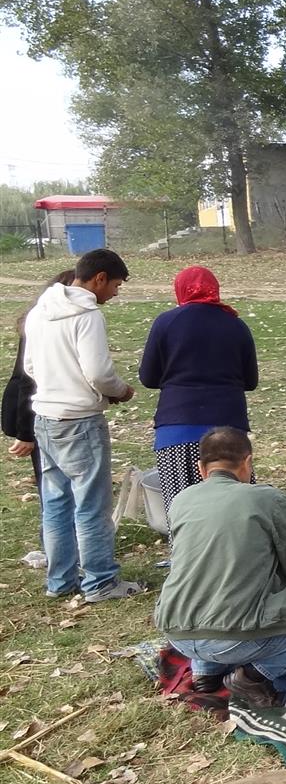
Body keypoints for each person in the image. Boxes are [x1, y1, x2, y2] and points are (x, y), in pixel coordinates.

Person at [154, 427, 286, 706]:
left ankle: (206, 673)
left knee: (212, 595)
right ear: (248, 463)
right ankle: (252, 675)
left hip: (177, 631)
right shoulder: (266, 499)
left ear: (201, 468)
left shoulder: (181, 500)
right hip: (232, 636)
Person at [24, 249, 140, 603]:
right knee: (91, 505)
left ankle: (60, 580)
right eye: (116, 285)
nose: (115, 293)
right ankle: (100, 582)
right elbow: (98, 373)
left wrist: (57, 384)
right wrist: (120, 391)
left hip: (45, 418)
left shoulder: (40, 310)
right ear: (99, 278)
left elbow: (29, 366)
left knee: (56, 503)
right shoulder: (87, 315)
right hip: (79, 421)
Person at [139, 266, 259, 519]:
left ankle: (185, 546)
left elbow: (148, 377)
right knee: (234, 508)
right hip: (229, 429)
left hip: (177, 428)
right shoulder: (236, 325)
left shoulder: (166, 323)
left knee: (181, 509)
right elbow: (250, 381)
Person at [2, 270, 77, 568]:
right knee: (53, 488)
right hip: (35, 413)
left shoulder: (44, 320)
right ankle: (57, 551)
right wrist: (26, 433)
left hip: (43, 412)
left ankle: (61, 549)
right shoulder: (44, 324)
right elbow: (27, 381)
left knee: (54, 487)